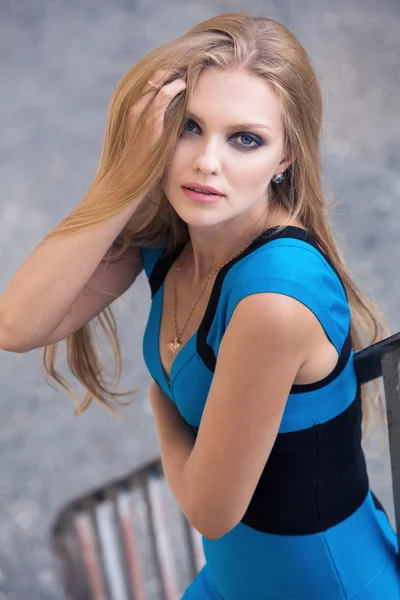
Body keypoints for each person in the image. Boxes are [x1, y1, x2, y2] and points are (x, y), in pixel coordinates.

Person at [0, 10, 398, 599]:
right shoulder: (176, 233)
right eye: (188, 126)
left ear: (284, 158)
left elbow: (211, 510)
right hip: (234, 577)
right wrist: (123, 179)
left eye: (245, 139)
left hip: (321, 584)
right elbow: (18, 324)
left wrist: (162, 402)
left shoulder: (274, 301)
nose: (207, 162)